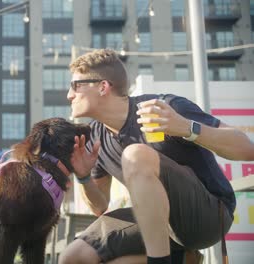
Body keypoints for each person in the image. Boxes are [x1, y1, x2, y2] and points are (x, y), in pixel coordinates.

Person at [58, 49, 254, 264]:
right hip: (157, 224)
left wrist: (186, 127)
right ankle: (182, 259)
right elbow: (100, 207)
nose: (69, 95)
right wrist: (84, 177)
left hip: (209, 216)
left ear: (103, 86)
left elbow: (246, 149)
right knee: (74, 257)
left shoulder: (165, 107)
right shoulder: (95, 136)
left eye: (76, 86)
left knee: (135, 155)